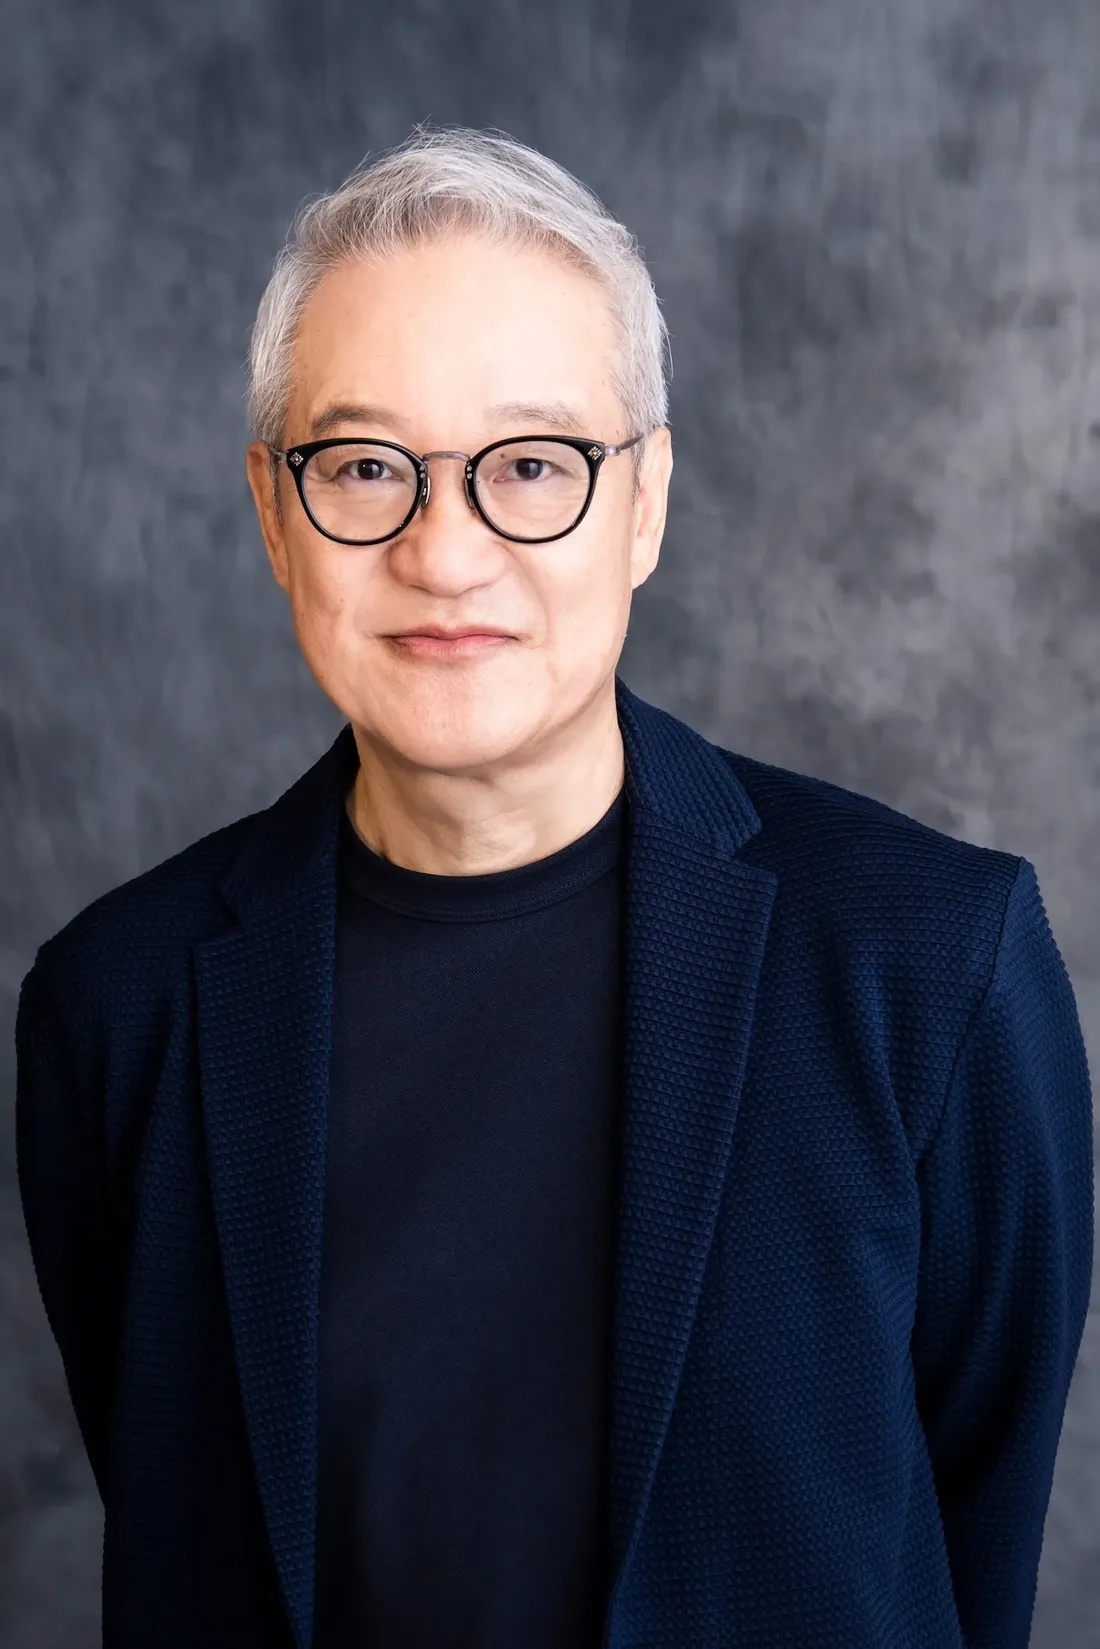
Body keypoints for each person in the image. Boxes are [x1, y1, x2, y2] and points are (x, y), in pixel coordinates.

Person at [14, 123, 1093, 1649]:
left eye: (531, 464)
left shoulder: (929, 962)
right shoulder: (116, 1008)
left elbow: (971, 1530)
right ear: (272, 509)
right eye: (366, 466)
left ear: (644, 502)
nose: (446, 554)